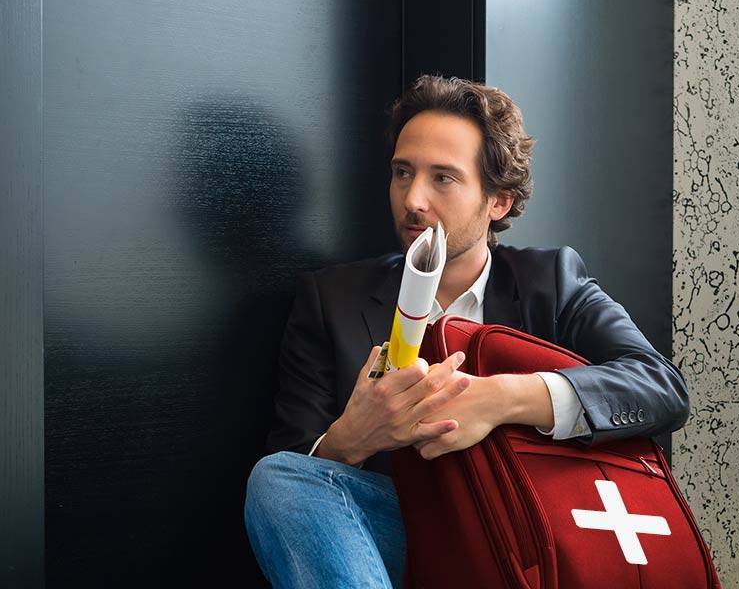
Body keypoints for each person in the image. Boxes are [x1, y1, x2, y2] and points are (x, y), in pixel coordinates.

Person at [244, 74, 690, 588]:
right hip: (401, 539)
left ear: (497, 201)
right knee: (274, 478)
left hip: (528, 530)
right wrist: (350, 439)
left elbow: (661, 388)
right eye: (402, 172)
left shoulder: (551, 282)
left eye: (443, 178)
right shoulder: (331, 299)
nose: (413, 199)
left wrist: (503, 397)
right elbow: (298, 485)